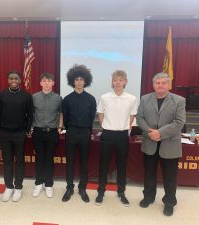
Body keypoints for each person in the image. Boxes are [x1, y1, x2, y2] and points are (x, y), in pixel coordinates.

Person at [136, 72, 186, 216]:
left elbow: (179, 122)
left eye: (164, 83)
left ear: (169, 85)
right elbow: (140, 118)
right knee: (149, 174)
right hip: (150, 142)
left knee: (170, 177)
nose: (160, 85)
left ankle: (169, 202)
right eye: (157, 83)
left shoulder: (179, 100)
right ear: (153, 85)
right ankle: (148, 197)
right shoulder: (145, 99)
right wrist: (151, 132)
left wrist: (160, 133)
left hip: (170, 143)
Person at [95, 70, 137, 207]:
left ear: (125, 82)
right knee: (103, 165)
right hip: (107, 134)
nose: (117, 82)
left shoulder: (131, 98)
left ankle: (121, 192)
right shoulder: (104, 97)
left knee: (122, 165)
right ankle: (101, 191)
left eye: (120, 79)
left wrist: (124, 127)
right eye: (115, 80)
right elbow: (100, 113)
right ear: (112, 82)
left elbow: (132, 116)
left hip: (122, 135)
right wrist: (106, 125)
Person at [0, 70, 33, 202]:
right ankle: (9, 187)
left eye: (16, 79)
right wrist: (0, 129)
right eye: (11, 78)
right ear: (7, 80)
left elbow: (30, 115)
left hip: (20, 134)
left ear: (20, 80)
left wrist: (27, 130)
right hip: (5, 134)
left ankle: (18, 187)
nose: (14, 81)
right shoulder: (1, 95)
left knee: (20, 161)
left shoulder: (26, 96)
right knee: (7, 161)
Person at [61, 64, 96, 203]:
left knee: (84, 162)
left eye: (82, 79)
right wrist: (69, 129)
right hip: (71, 133)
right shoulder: (67, 99)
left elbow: (91, 116)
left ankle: (82, 188)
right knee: (70, 162)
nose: (79, 82)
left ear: (86, 81)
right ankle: (69, 188)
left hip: (85, 134)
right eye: (77, 79)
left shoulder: (91, 99)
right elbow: (65, 117)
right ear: (72, 81)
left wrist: (87, 131)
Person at [31, 72, 63, 198]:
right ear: (40, 83)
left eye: (49, 81)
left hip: (52, 132)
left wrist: (59, 127)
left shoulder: (58, 98)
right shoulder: (34, 97)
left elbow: (60, 114)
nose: (46, 83)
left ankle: (48, 184)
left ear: (53, 83)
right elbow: (31, 114)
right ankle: (38, 183)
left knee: (49, 159)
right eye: (44, 81)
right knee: (39, 159)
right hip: (38, 132)